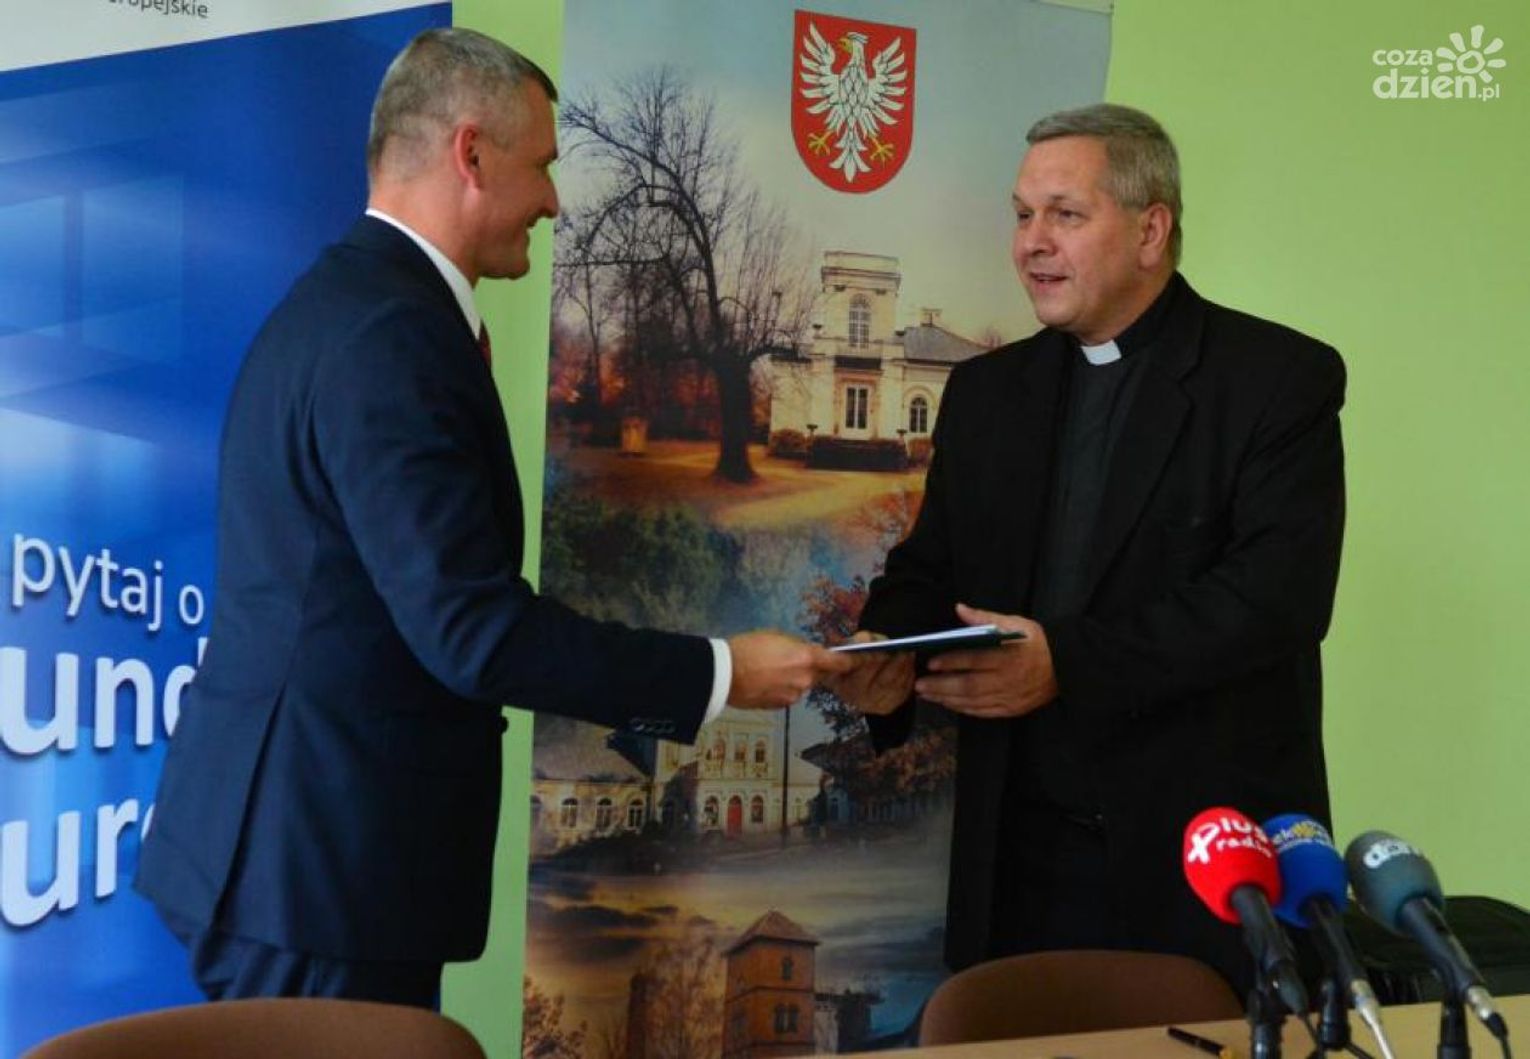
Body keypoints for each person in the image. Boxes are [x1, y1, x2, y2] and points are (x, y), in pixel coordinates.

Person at [135, 28, 848, 1008]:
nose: (555, 202)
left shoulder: (358, 303)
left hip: (310, 859)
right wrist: (721, 673)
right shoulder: (391, 335)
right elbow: (473, 631)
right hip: (318, 873)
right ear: (471, 152)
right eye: (543, 166)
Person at [828, 103, 1344, 995]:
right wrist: (887, 648)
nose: (1032, 242)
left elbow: (1276, 601)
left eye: (1065, 214)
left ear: (1150, 231)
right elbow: (932, 566)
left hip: (1200, 863)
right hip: (1018, 862)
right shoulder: (988, 392)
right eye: (1022, 214)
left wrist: (1065, 662)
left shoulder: (1276, 380)